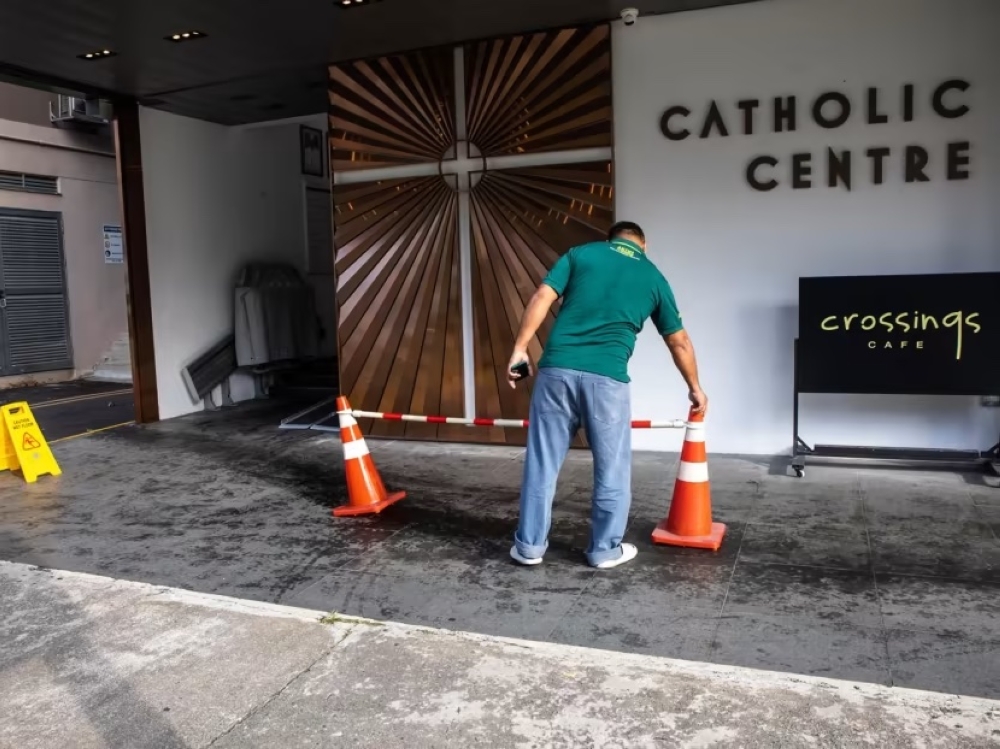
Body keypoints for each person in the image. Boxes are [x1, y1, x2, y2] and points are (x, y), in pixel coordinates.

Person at [506, 221, 707, 569]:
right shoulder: (653, 276)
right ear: (644, 244)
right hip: (608, 380)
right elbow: (679, 341)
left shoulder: (581, 254)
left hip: (556, 371)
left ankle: (529, 547)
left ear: (610, 239)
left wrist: (521, 348)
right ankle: (603, 550)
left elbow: (542, 295)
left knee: (542, 462)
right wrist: (695, 388)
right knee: (611, 468)